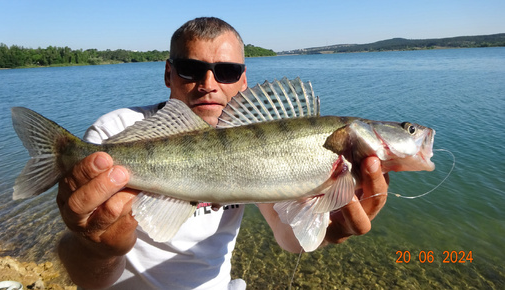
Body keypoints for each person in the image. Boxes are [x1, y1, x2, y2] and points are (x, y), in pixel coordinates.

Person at [56, 17, 388, 289]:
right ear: (169, 73)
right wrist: (95, 247)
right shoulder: (114, 133)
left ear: (243, 81)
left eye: (226, 72)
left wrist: (327, 228)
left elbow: (288, 237)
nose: (209, 84)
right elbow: (89, 280)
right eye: (190, 68)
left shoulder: (265, 142)